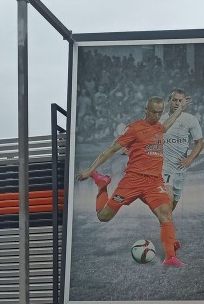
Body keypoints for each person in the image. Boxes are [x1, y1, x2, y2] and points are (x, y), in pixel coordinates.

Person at [77, 95, 189, 267]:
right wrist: (90, 170)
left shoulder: (159, 126)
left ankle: (170, 257)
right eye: (153, 112)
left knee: (166, 213)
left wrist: (179, 110)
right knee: (103, 217)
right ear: (146, 110)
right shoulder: (134, 128)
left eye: (160, 113)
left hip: (154, 182)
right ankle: (102, 184)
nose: (157, 116)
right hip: (133, 181)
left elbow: (166, 125)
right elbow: (110, 150)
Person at [161, 88, 203, 211]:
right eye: (174, 100)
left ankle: (166, 221)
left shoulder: (191, 119)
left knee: (172, 204)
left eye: (180, 101)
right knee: (168, 199)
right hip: (163, 167)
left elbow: (199, 144)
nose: (177, 103)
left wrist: (190, 159)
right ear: (169, 101)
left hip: (180, 168)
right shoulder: (161, 120)